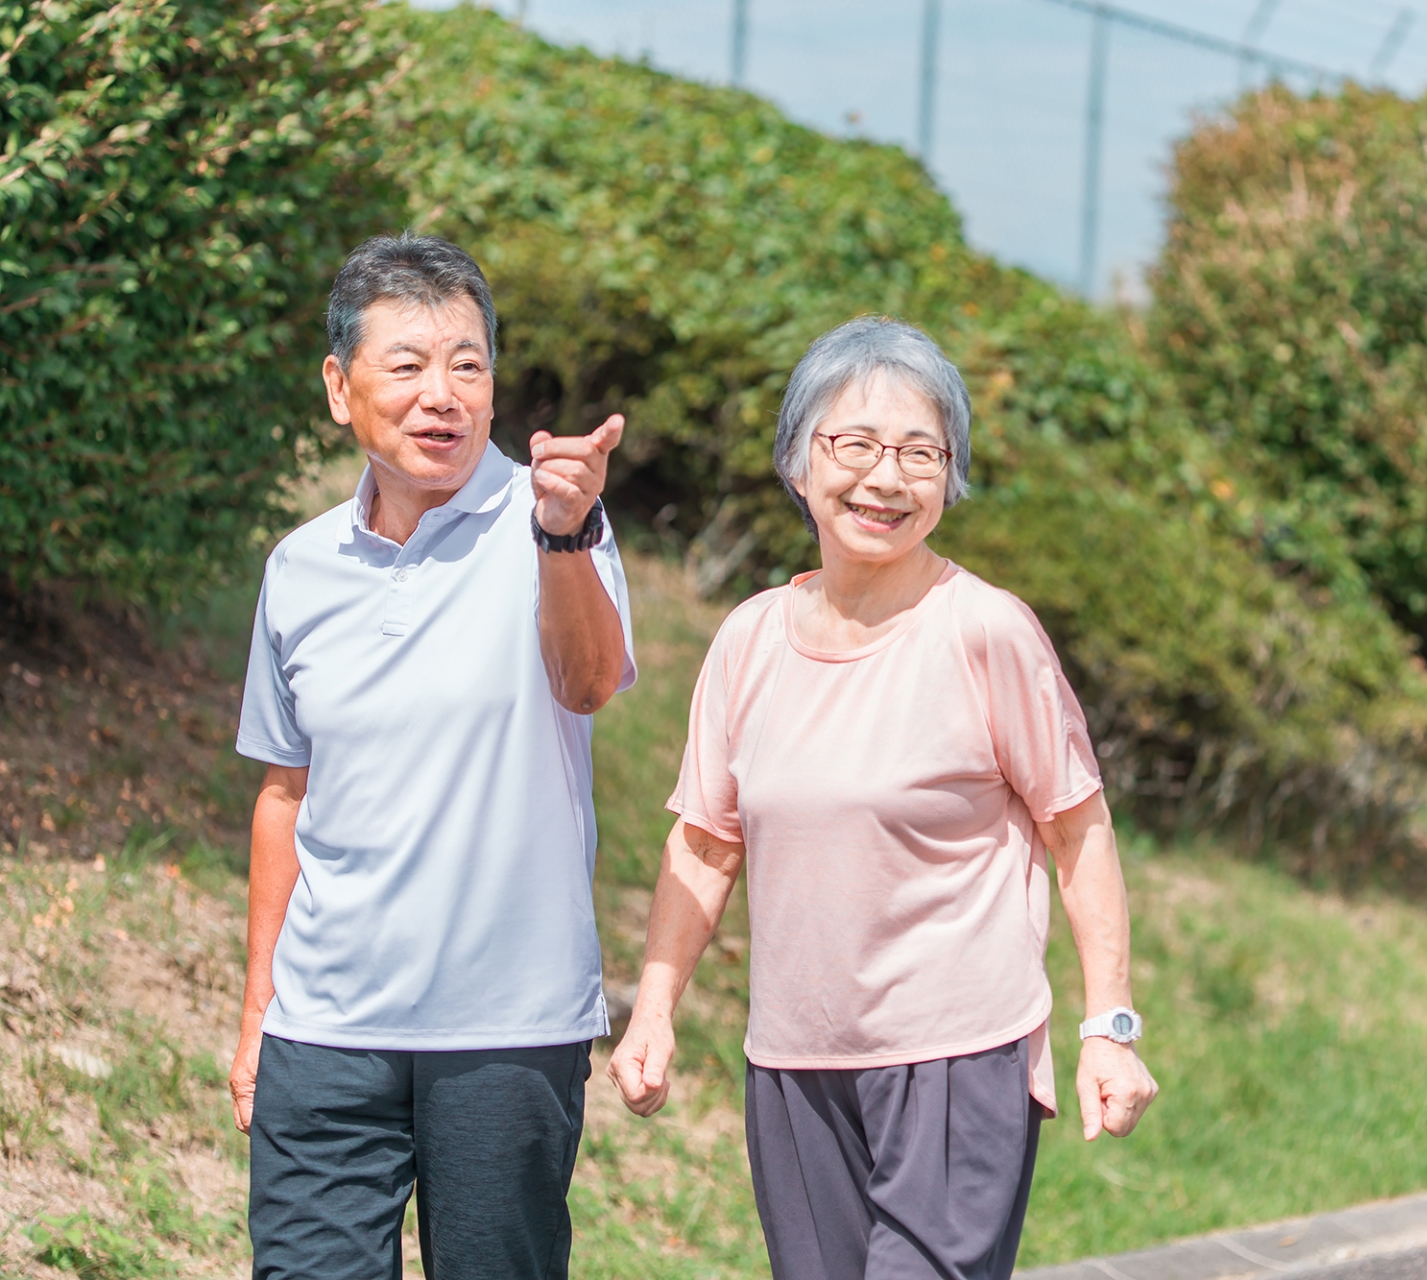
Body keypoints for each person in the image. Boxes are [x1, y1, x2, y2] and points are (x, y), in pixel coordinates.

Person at [607, 316, 1158, 1280]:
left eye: (919, 452)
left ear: (950, 476)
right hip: (794, 1067)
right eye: (854, 444)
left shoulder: (986, 631)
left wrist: (1109, 1027)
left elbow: (1079, 831)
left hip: (957, 1058)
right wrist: (654, 1009)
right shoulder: (747, 641)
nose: (886, 478)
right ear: (798, 461)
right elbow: (705, 842)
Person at [229, 232, 637, 1279]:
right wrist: (259, 1010)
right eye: (407, 365)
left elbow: (589, 681)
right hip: (324, 1029)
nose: (441, 395)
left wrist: (563, 536)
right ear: (340, 387)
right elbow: (285, 793)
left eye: (468, 365)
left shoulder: (558, 524)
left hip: (506, 1030)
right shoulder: (300, 567)